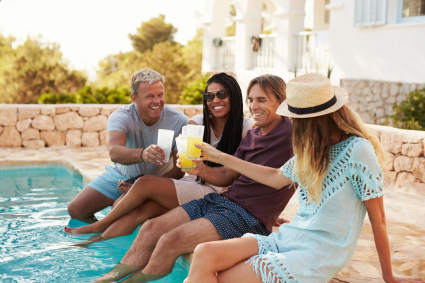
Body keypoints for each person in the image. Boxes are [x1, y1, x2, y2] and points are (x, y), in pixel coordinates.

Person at [184, 74, 423, 283]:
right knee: (204, 253)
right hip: (291, 238)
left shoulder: (357, 150)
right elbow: (276, 177)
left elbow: (378, 218)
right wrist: (220, 157)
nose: (293, 123)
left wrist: (388, 276)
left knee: (222, 279)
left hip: (317, 253)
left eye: (297, 117)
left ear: (316, 119)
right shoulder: (312, 150)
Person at [94, 74, 295, 282]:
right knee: (150, 228)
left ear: (281, 102)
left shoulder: (293, 132)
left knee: (169, 241)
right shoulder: (253, 135)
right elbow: (227, 175)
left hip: (248, 216)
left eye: (262, 100)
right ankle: (108, 278)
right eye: (251, 100)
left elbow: (286, 174)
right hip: (223, 200)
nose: (254, 106)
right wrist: (201, 170)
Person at [64, 73, 254, 242]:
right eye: (209, 96)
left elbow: (247, 172)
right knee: (139, 210)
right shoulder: (196, 123)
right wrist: (144, 167)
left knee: (144, 186)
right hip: (190, 182)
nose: (215, 100)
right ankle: (97, 239)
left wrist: (257, 207)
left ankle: (98, 226)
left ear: (234, 96)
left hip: (216, 190)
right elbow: (116, 151)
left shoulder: (247, 128)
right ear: (134, 98)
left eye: (221, 94)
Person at [66, 68, 188, 223]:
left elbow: (179, 170)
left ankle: (110, 232)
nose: (157, 101)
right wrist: (143, 154)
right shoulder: (122, 116)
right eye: (150, 96)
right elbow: (114, 152)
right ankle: (101, 239)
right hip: (121, 176)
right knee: (76, 209)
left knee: (119, 211)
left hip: (159, 180)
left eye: (160, 95)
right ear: (134, 98)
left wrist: (146, 188)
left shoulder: (178, 120)